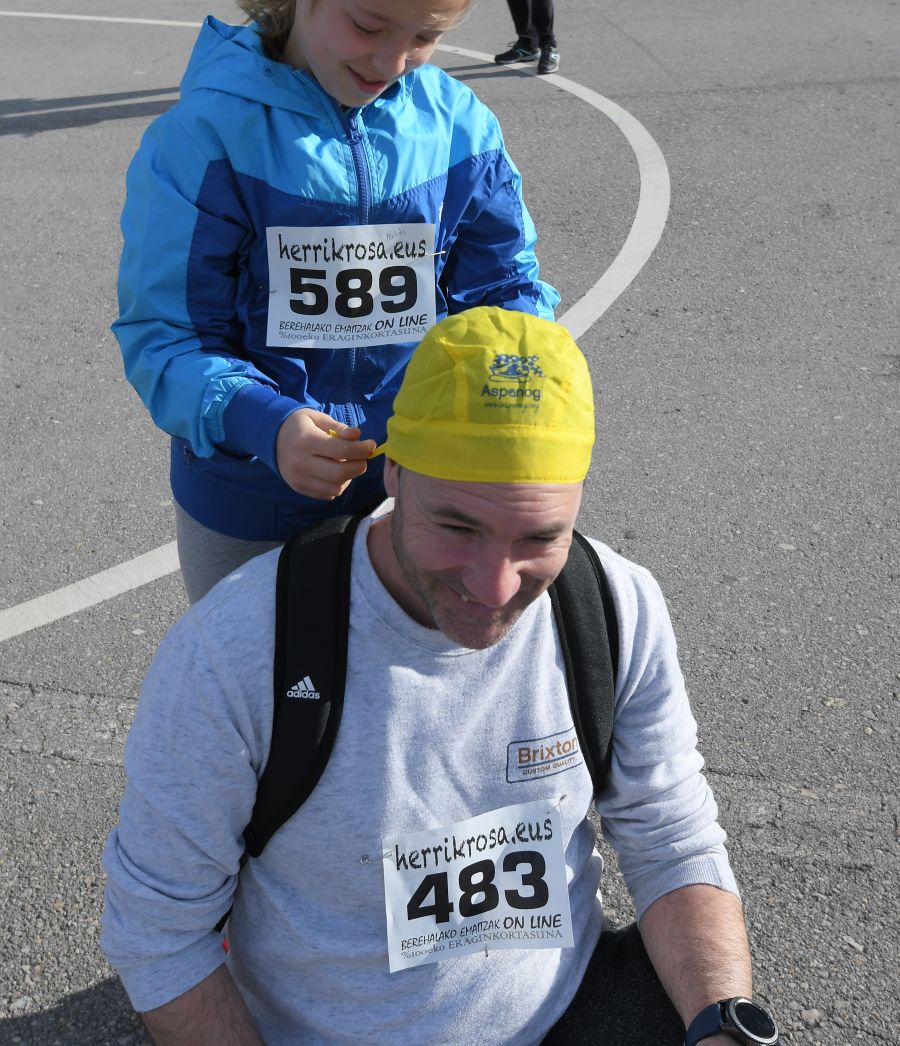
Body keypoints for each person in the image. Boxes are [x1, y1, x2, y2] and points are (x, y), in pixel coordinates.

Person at [101, 306, 783, 1046]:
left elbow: (671, 837)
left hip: (567, 1008)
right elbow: (159, 931)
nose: (494, 588)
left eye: (538, 538)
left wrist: (720, 1025)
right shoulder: (238, 651)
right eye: (456, 527)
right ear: (394, 473)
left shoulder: (614, 607)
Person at [112, 0, 558, 605]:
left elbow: (506, 294)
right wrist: (266, 424)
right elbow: (167, 338)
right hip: (251, 499)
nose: (392, 64)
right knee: (263, 708)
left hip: (420, 491)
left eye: (427, 37)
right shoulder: (208, 139)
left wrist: (514, 389)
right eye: (369, 25)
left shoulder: (459, 128)